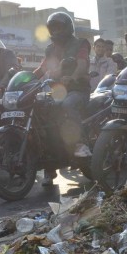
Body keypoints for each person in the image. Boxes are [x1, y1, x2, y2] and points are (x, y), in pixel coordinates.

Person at [33, 11, 92, 185]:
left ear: (67, 27)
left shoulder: (80, 43)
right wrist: (26, 79)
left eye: (59, 27)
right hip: (57, 91)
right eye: (53, 28)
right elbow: (43, 68)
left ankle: (80, 144)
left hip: (77, 89)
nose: (56, 31)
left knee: (67, 105)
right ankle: (49, 167)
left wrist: (73, 77)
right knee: (40, 111)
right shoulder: (51, 48)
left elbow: (82, 64)